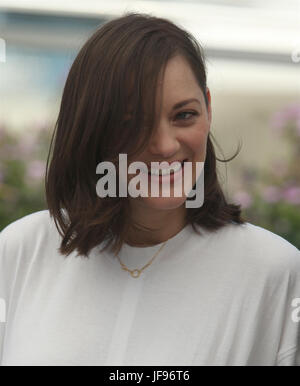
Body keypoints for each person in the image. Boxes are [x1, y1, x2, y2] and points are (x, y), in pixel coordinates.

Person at [0, 12, 299, 366]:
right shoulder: (18, 252)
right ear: (91, 129)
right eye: (133, 123)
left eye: (184, 115)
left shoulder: (277, 274)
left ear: (208, 108)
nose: (163, 146)